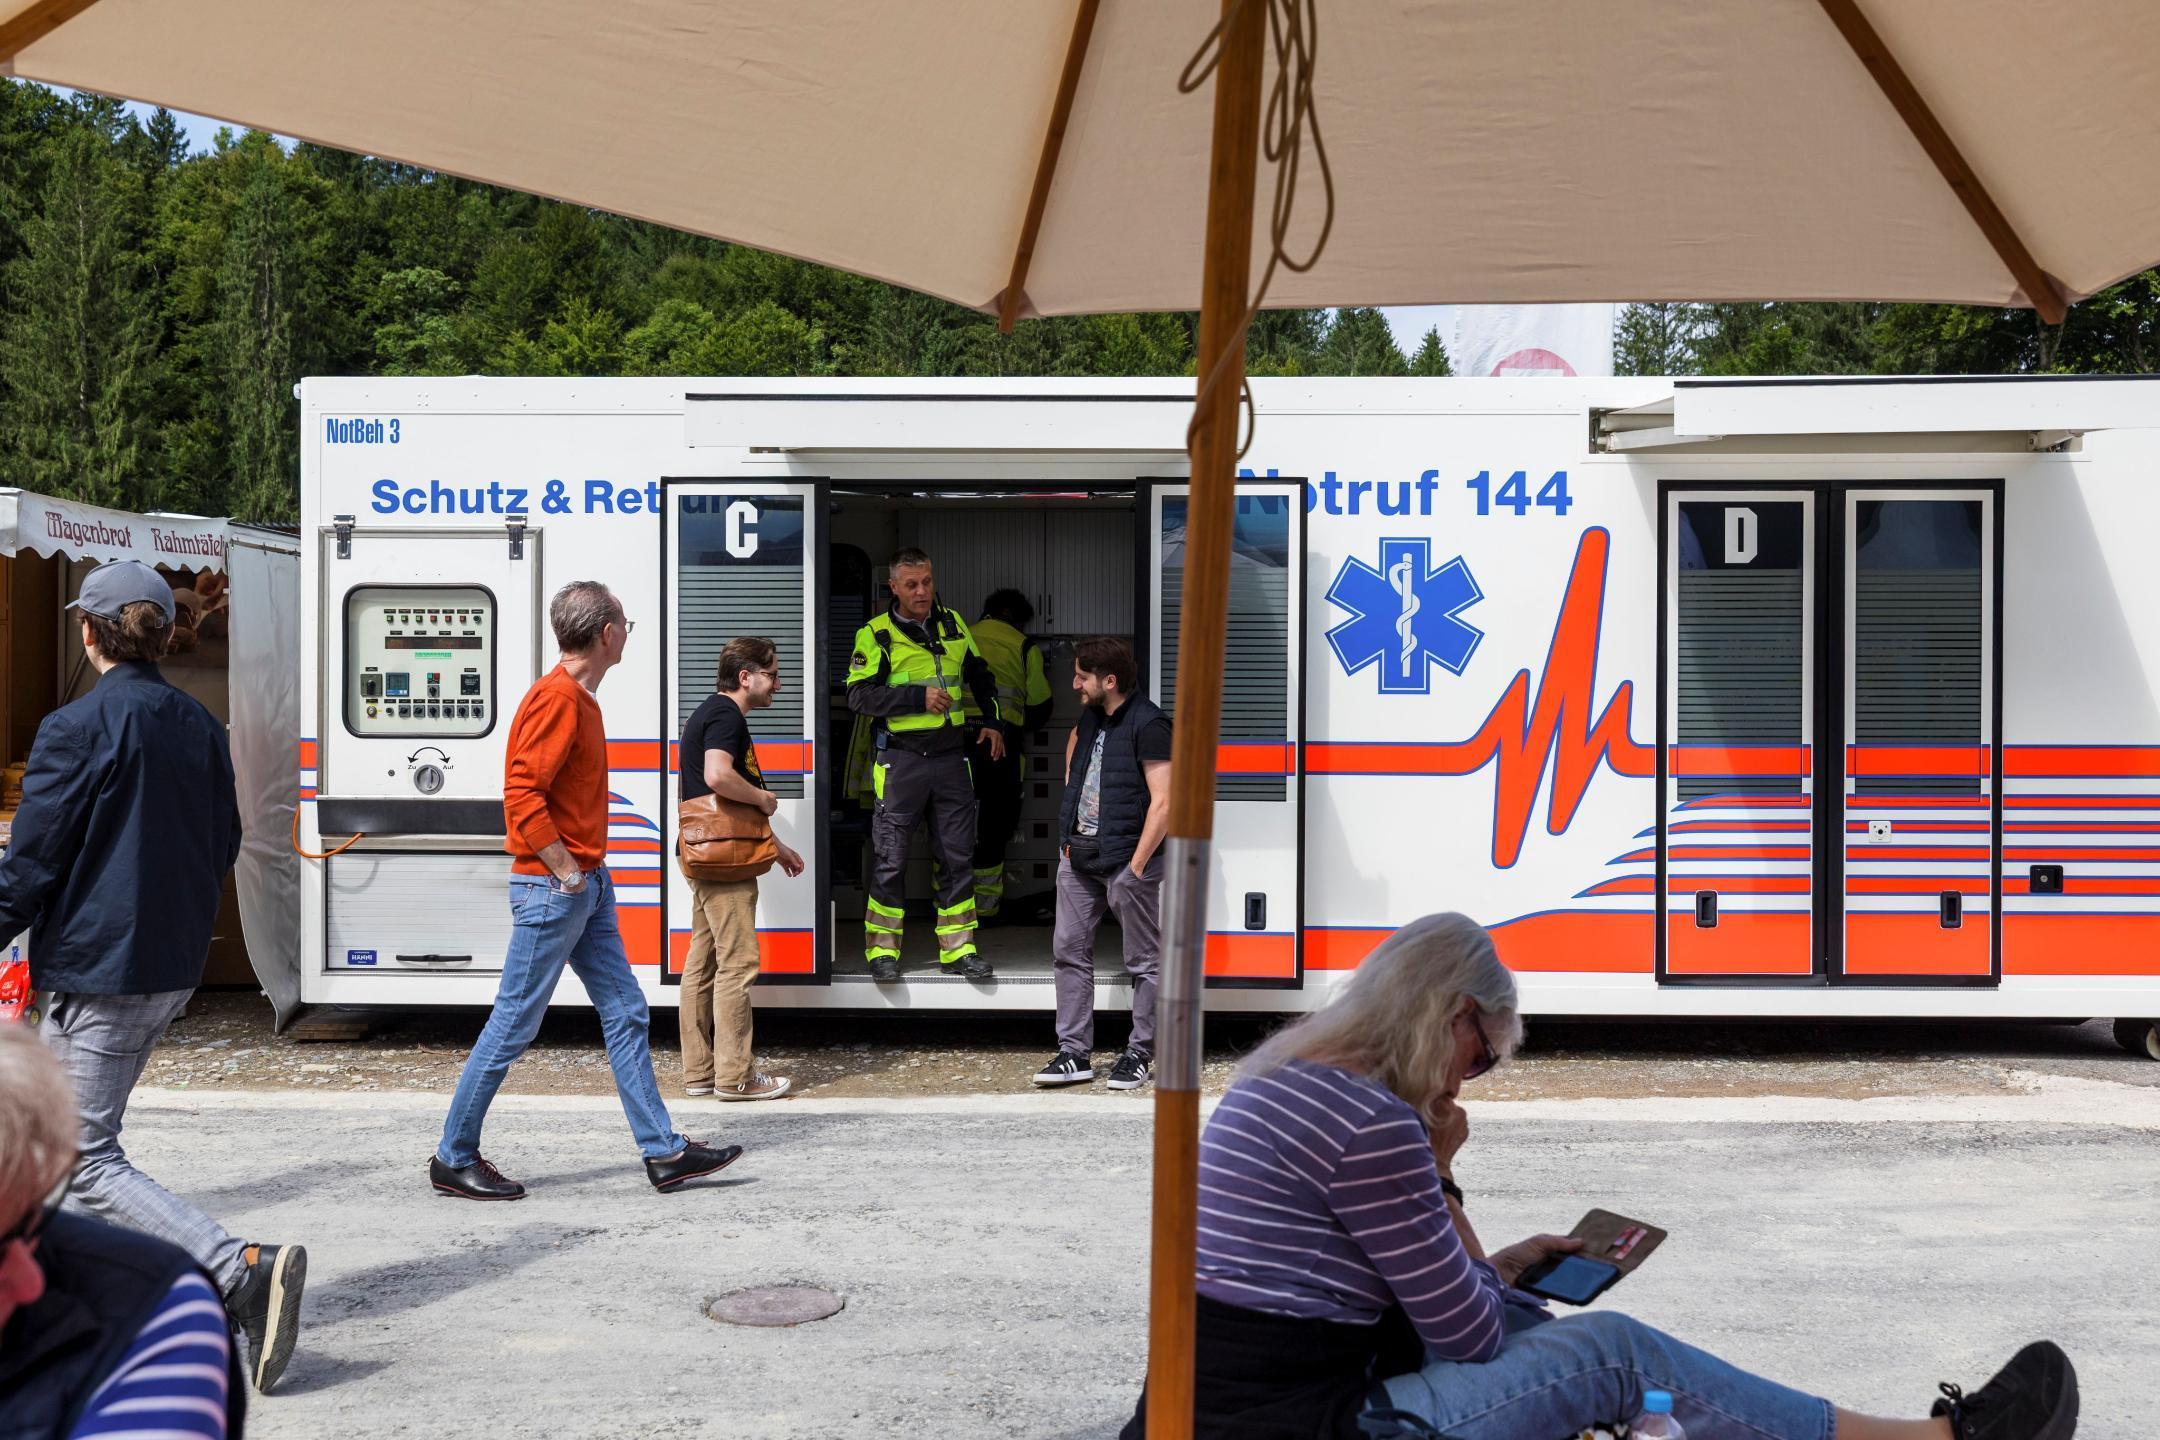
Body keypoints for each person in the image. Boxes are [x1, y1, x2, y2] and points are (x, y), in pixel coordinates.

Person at [1120, 912, 2079, 1440]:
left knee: (1549, 1321)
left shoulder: (1281, 1079)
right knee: (1618, 1351)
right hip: (1315, 1423)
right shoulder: (1371, 1121)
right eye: (1484, 1053)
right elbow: (1465, 1335)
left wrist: (1494, 1267)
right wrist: (1449, 1185)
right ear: (1452, 1017)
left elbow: (1375, 1291)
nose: (1469, 1076)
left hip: (1208, 1402)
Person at [0, 558, 304, 1394]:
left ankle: (240, 1270)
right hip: (167, 965)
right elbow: (224, 844)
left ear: (89, 632)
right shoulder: (199, 726)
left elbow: (28, 871)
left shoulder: (74, 729)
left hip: (103, 971)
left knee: (80, 1156)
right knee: (52, 1149)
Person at [431, 580, 742, 1200]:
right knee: (514, 1023)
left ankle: (664, 1153)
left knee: (625, 1010)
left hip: (584, 887)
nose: (629, 631)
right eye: (625, 622)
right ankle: (453, 1155)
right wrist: (568, 872)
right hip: (557, 889)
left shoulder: (578, 698)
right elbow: (521, 795)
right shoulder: (558, 700)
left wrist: (585, 878)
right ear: (606, 634)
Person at [0, 1024, 245, 1438]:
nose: (28, 1281)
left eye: (26, 1224)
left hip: (103, 983)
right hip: (133, 981)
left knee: (89, 1158)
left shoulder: (151, 1310)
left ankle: (238, 1269)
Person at [845, 548, 1007, 983]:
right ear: (893, 587)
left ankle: (959, 951)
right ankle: (883, 953)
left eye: (927, 582)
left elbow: (981, 677)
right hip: (901, 761)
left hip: (952, 759)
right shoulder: (876, 634)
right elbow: (858, 696)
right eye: (911, 584)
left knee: (957, 856)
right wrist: (917, 697)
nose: (921, 591)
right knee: (891, 859)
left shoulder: (954, 624)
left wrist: (992, 722)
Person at [1032, 637, 1170, 1092]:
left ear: (1109, 681)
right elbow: (1075, 760)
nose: (1074, 684)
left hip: (1126, 864)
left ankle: (1140, 1054)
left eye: (1081, 677)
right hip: (1079, 859)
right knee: (1068, 952)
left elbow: (1165, 803)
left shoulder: (1149, 724)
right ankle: (1074, 1054)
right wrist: (1069, 838)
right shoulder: (1090, 718)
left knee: (1144, 961)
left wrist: (1135, 867)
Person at [677, 635, 806, 1102]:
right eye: (771, 674)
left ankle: (700, 1073)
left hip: (703, 852)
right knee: (738, 963)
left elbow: (721, 809)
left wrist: (778, 847)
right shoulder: (727, 715)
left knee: (704, 961)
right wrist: (765, 800)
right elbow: (717, 777)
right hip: (721, 864)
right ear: (745, 677)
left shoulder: (712, 712)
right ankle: (737, 1077)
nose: (778, 683)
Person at [967, 588, 1053, 922]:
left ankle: (947, 913)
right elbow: (1040, 704)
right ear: (1012, 615)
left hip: (951, 746)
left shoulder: (960, 636)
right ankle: (985, 912)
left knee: (950, 826)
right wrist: (1015, 728)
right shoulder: (1023, 645)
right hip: (999, 747)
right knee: (994, 825)